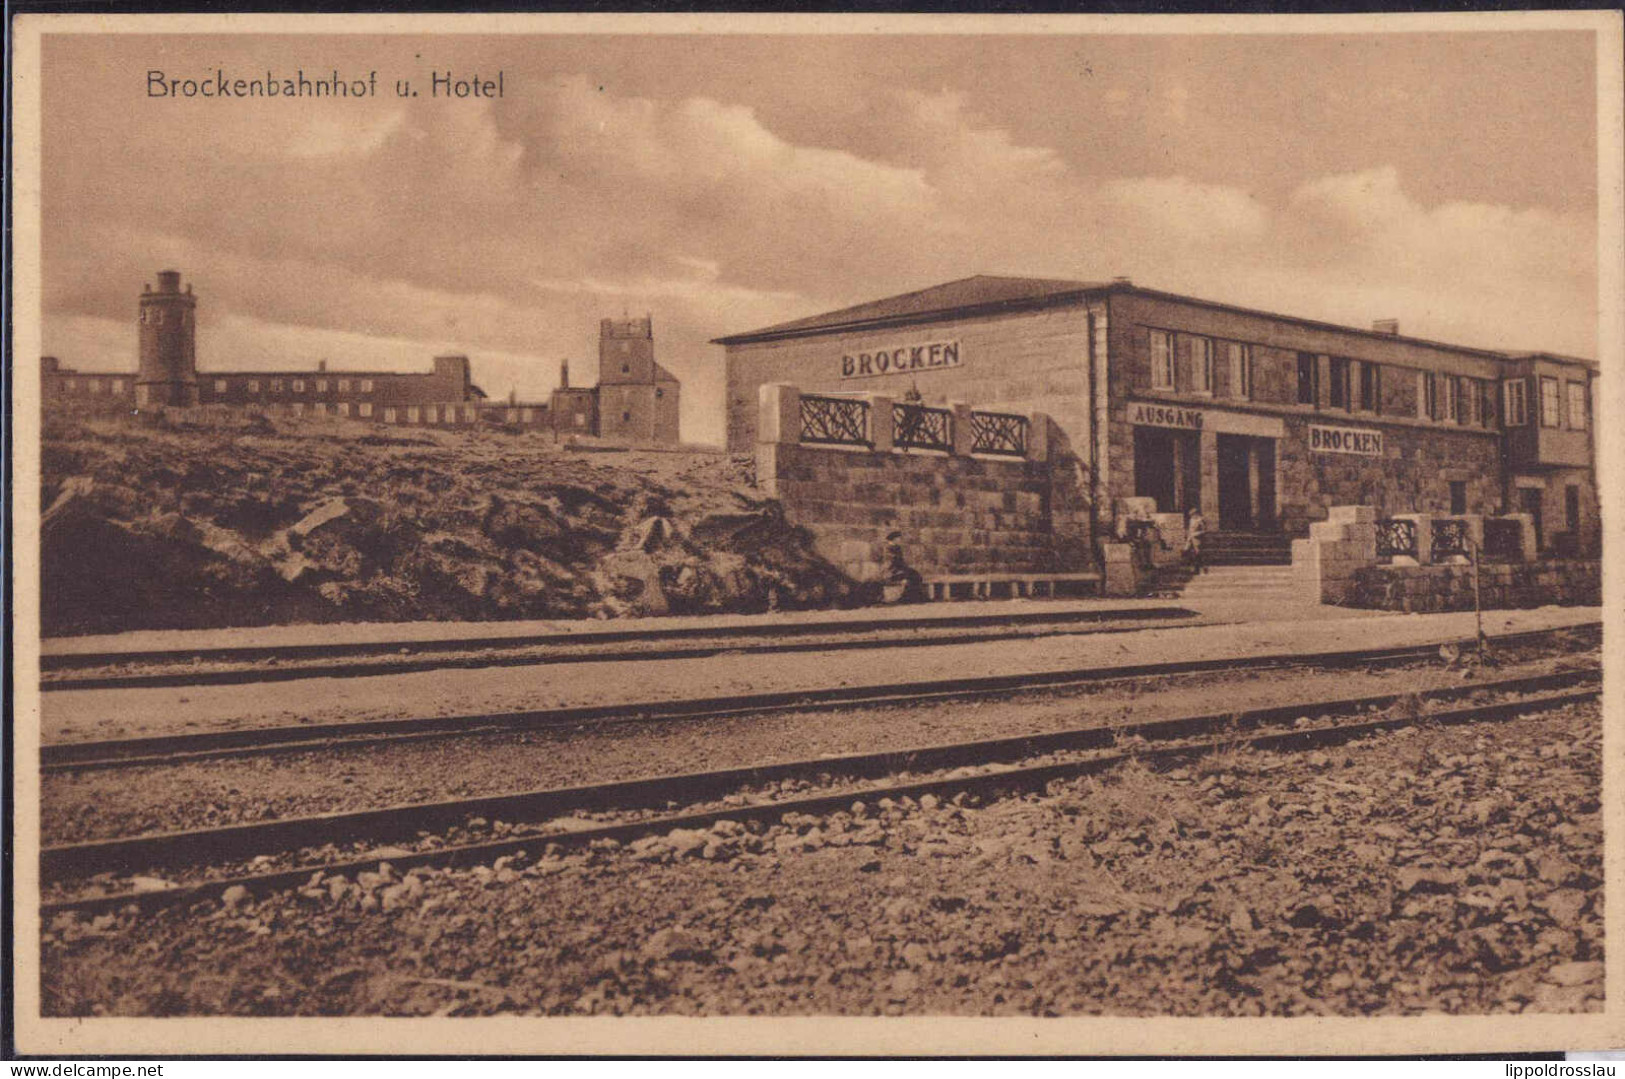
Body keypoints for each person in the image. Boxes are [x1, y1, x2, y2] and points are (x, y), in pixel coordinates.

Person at [1184, 506, 1207, 575]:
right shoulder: (1191, 520)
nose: (1192, 516)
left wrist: (1196, 534)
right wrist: (1188, 538)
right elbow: (1190, 530)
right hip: (1191, 539)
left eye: (1193, 514)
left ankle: (1202, 568)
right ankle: (1195, 569)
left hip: (1198, 539)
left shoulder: (1200, 520)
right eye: (1191, 515)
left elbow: (1204, 531)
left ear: (1197, 514)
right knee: (1191, 554)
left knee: (1198, 554)